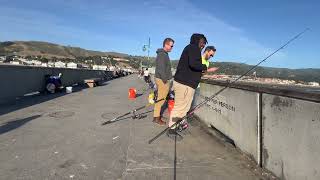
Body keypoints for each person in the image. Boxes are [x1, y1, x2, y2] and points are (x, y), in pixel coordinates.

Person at [167, 33, 208, 136]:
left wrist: (199, 70)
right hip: (185, 84)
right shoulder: (193, 48)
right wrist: (204, 67)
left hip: (185, 83)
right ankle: (171, 129)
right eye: (203, 42)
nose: (203, 45)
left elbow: (192, 65)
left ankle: (176, 125)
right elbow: (194, 64)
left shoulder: (191, 49)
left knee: (184, 108)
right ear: (197, 40)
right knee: (180, 107)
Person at [153, 38, 174, 125]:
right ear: (166, 44)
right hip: (162, 80)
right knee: (161, 99)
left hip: (161, 79)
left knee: (160, 98)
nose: (172, 48)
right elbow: (161, 70)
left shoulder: (163, 54)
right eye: (171, 45)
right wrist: (165, 81)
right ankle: (156, 118)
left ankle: (156, 116)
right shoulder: (162, 55)